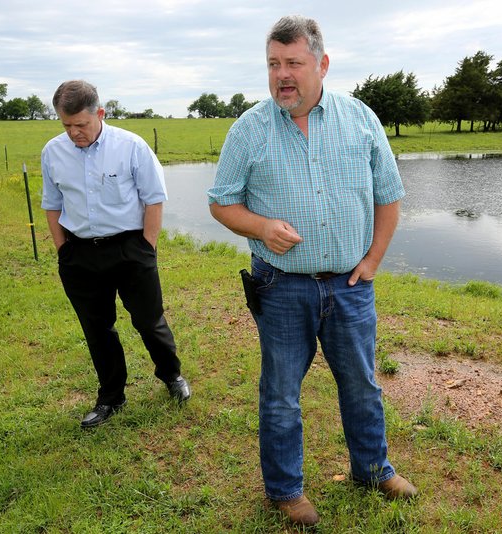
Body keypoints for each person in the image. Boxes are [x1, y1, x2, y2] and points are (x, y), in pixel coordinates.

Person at [207, 16, 417, 527]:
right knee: (280, 394)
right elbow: (220, 204)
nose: (282, 75)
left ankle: (373, 469)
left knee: (362, 385)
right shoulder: (248, 129)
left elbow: (389, 199)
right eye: (274, 64)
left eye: (293, 63)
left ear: (321, 64)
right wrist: (260, 225)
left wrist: (371, 263)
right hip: (280, 286)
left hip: (349, 286)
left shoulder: (361, 119)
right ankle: (284, 490)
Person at [41, 80, 190, 429]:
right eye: (67, 125)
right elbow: (52, 204)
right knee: (97, 328)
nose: (74, 133)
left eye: (81, 124)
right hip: (80, 254)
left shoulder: (131, 147)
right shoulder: (53, 152)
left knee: (149, 320)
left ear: (101, 114)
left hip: (129, 249)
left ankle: (171, 375)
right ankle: (111, 397)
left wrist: (147, 248)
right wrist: (63, 250)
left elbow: (154, 198)